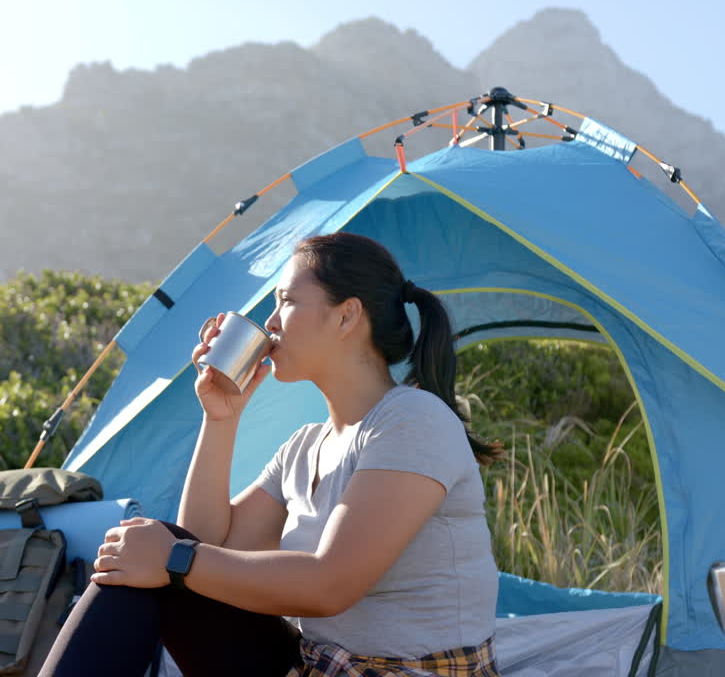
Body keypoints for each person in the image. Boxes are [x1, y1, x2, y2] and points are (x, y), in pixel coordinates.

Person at [39, 232, 501, 677]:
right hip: (316, 664)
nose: (272, 321)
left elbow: (330, 585)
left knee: (163, 554)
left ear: (346, 317)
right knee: (149, 559)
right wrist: (220, 418)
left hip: (403, 672)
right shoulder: (304, 446)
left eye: (288, 301)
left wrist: (171, 557)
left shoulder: (413, 419)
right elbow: (204, 543)